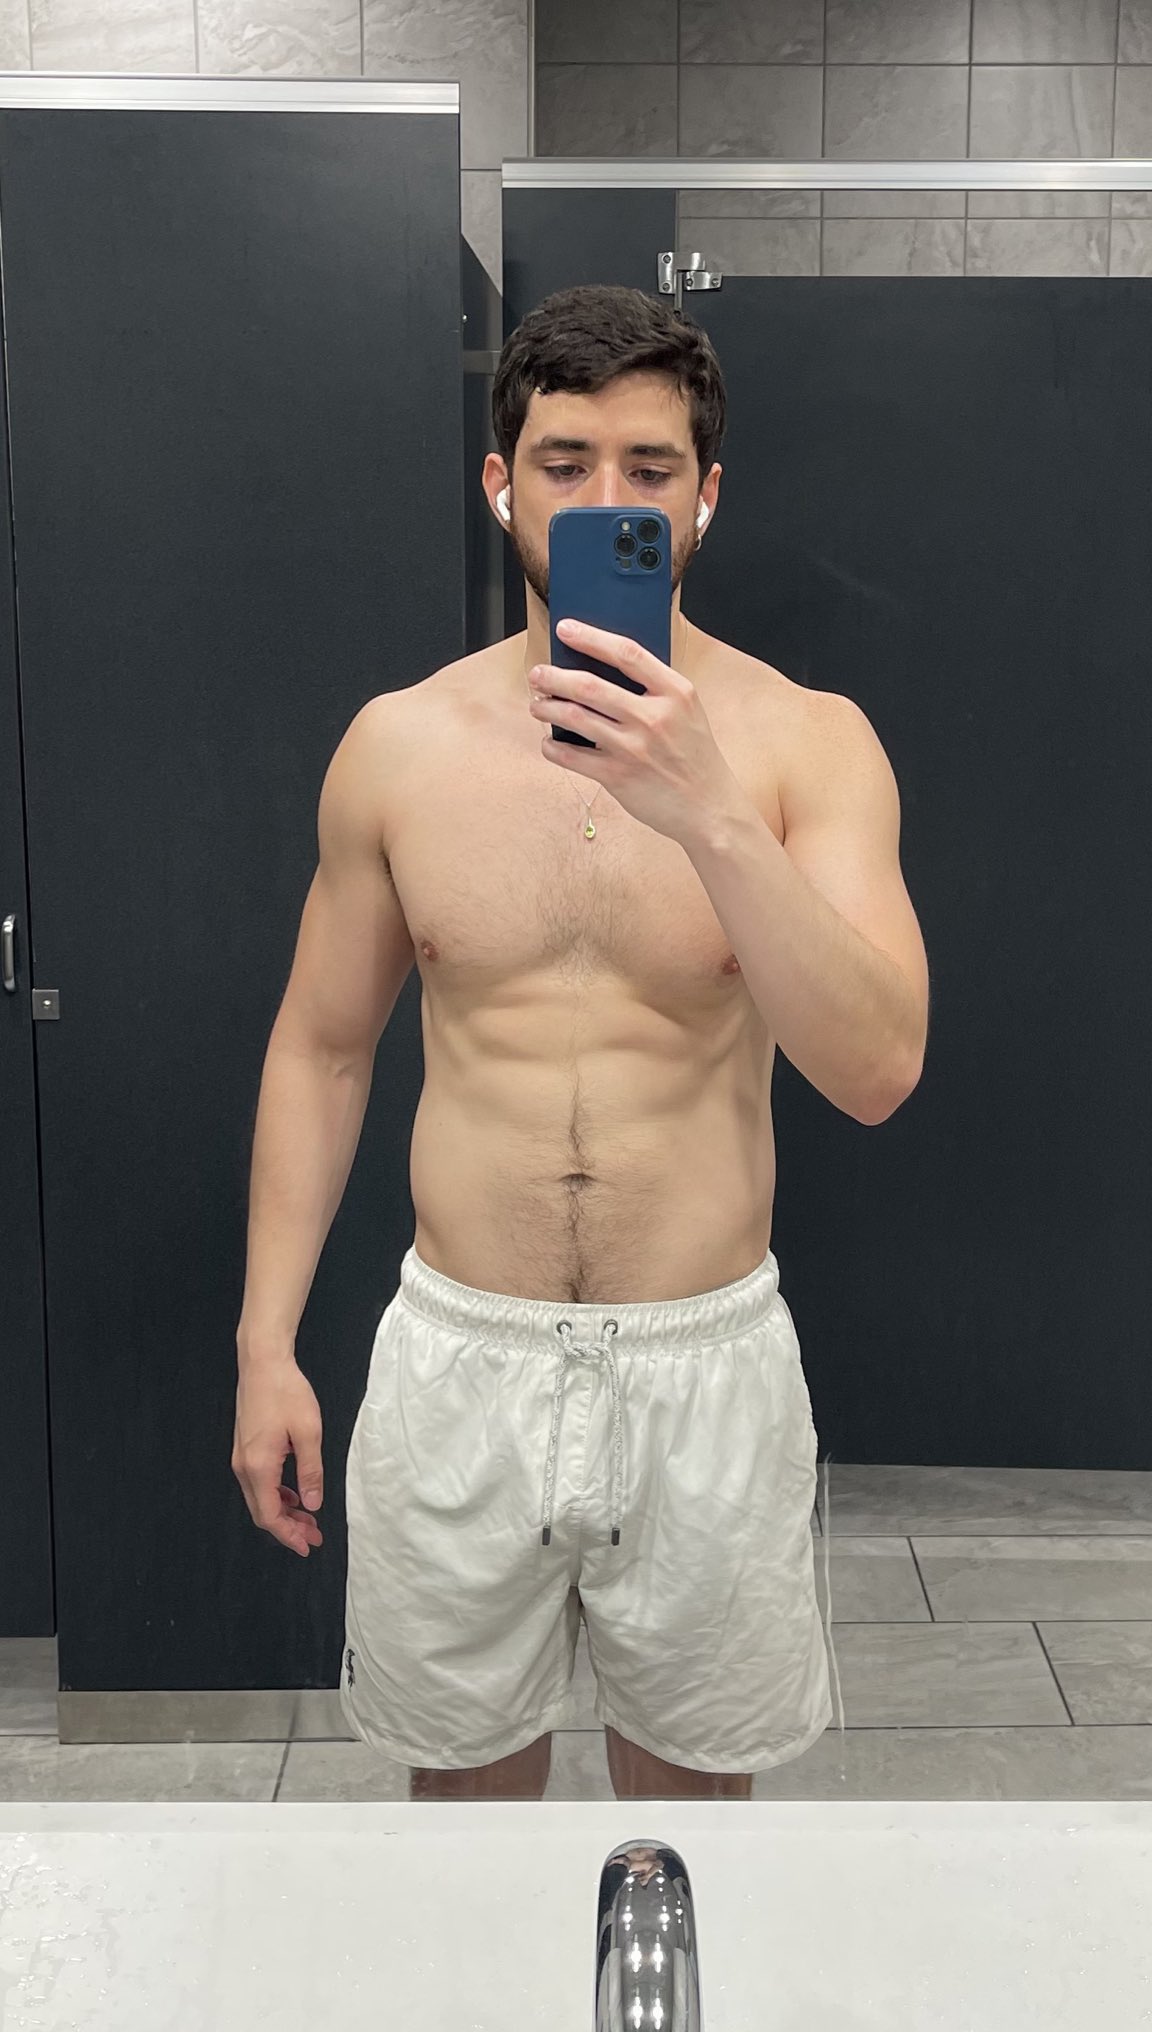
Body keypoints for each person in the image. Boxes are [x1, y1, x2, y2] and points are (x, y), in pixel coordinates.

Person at [232, 284, 930, 1802]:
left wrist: (712, 815)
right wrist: (265, 1344)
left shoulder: (809, 744)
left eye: (649, 467)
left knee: (693, 1815)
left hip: (703, 1365)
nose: (607, 498)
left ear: (704, 497)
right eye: (564, 463)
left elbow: (879, 1068)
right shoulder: (400, 746)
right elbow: (322, 1050)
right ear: (502, 485)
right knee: (462, 1807)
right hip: (461, 1358)